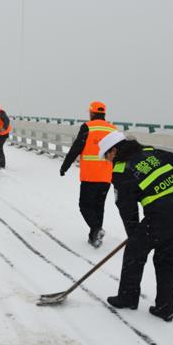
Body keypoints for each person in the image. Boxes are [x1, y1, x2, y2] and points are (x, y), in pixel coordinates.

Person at [98, 131, 173, 322]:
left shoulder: (121, 169)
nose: (108, 161)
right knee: (166, 260)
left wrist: (133, 234)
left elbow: (126, 208)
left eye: (107, 156)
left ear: (114, 150)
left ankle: (127, 297)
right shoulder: (151, 153)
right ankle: (165, 308)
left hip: (160, 217)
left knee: (134, 253)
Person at [59, 101, 117, 247]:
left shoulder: (87, 127)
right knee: (99, 206)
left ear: (91, 113)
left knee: (84, 205)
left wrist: (65, 166)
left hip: (90, 175)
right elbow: (119, 153)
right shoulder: (113, 129)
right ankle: (94, 237)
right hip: (106, 176)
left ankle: (96, 229)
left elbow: (76, 148)